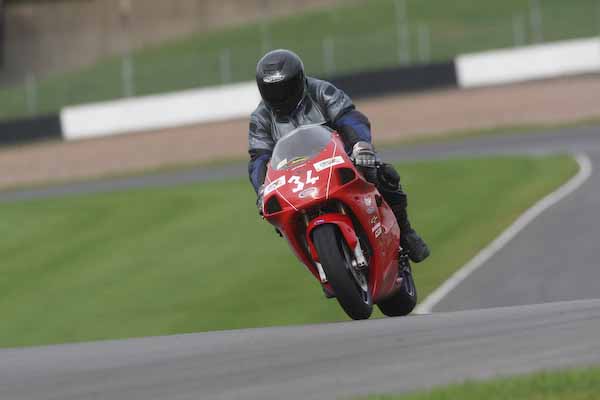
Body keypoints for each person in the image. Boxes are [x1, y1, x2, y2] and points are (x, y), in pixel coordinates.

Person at [247, 49, 429, 265]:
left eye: (285, 88)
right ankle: (321, 259)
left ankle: (406, 232)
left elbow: (349, 118)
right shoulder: (261, 117)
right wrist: (261, 189)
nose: (280, 96)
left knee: (384, 174)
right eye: (272, 91)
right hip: (294, 175)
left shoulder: (321, 91)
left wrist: (360, 145)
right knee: (278, 212)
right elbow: (259, 157)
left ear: (299, 79)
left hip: (338, 157)